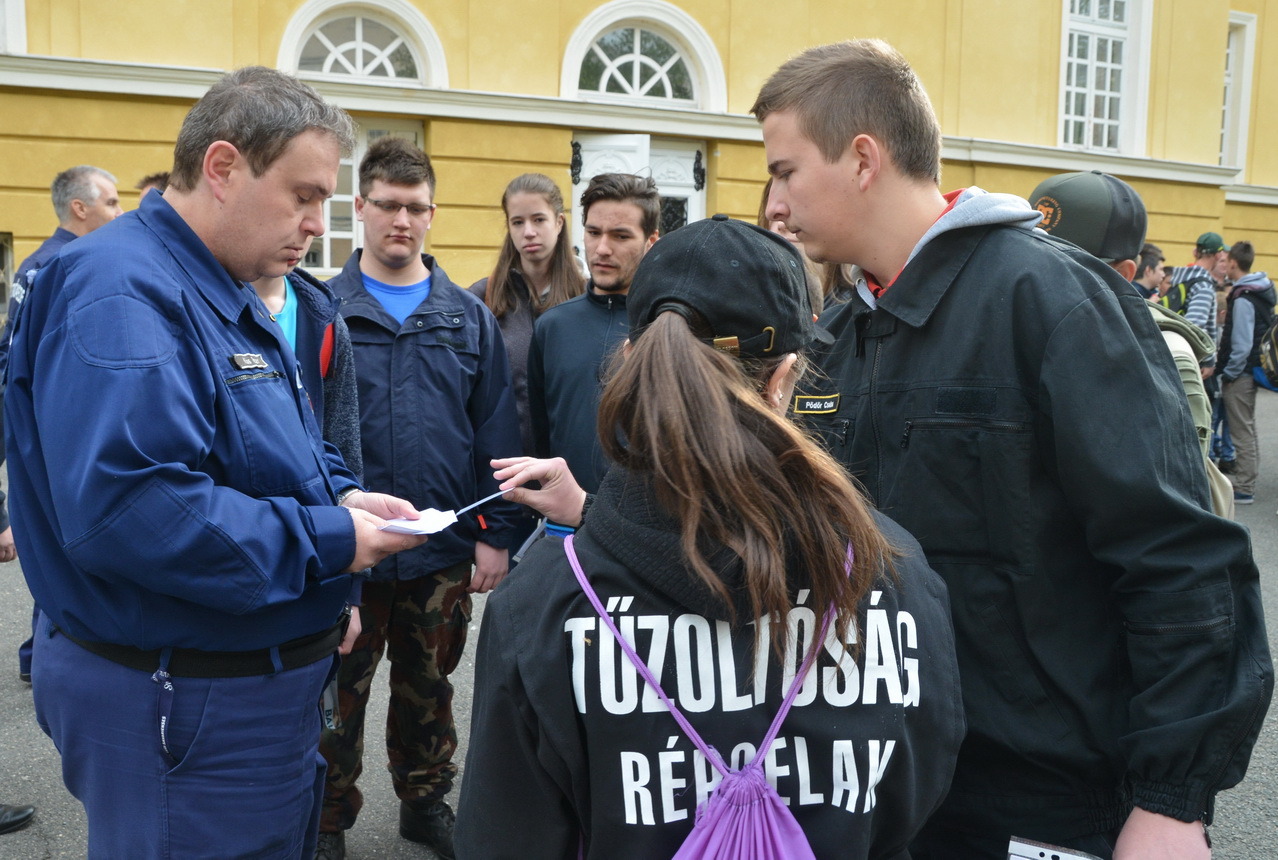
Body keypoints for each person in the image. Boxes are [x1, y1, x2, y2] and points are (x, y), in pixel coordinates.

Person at [755, 39, 1271, 859]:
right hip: (881, 783)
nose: (774, 204)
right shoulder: (841, 331)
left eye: (785, 171)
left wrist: (1173, 800)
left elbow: (1179, 557)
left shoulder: (1054, 302)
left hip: (1041, 800)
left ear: (862, 158)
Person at [4, 66, 428, 859]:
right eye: (303, 196)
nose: (316, 223)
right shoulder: (123, 291)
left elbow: (274, 445)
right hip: (182, 702)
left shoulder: (218, 280)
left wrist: (347, 496)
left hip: (231, 697)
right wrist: (331, 540)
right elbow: (132, 511)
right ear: (224, 168)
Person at [456, 215, 965, 859]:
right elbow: (917, 794)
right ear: (783, 380)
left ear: (630, 361)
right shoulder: (892, 572)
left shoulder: (544, 603)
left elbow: (506, 837)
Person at [319, 137, 521, 860]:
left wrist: (496, 532)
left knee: (429, 688)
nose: (401, 220)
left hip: (441, 550)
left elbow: (495, 427)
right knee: (337, 695)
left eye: (416, 207)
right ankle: (326, 821)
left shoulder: (466, 318)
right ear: (361, 208)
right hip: (351, 553)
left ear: (432, 214)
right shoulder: (323, 311)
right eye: (388, 205)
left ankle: (426, 802)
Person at [1027, 170, 1233, 518]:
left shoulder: (1169, 358)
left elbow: (1178, 501)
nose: (1034, 276)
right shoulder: (1018, 327)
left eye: (1061, 265)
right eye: (1027, 257)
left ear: (1121, 274)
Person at [4, 165, 123, 683]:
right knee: (62, 546)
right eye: (113, 202)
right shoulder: (61, 266)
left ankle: (42, 653)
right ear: (80, 208)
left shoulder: (49, 262)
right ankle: (47, 655)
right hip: (55, 433)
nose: (121, 213)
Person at [469, 173, 586, 549]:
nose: (528, 232)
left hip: (575, 484)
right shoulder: (483, 299)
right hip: (508, 484)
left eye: (538, 219)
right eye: (517, 222)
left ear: (559, 221)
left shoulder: (587, 296)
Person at [526, 173, 659, 494]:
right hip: (565, 531)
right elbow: (539, 433)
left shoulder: (668, 326)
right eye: (593, 232)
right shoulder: (552, 326)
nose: (602, 248)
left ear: (650, 241)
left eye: (620, 236)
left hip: (648, 528)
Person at [251, 248, 362, 481]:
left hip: (316, 510)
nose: (317, 227)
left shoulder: (324, 319)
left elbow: (343, 444)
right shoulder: (196, 308)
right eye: (297, 208)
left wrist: (348, 496)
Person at [1217, 240, 1275, 507]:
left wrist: (1228, 372)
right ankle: (1246, 479)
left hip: (1241, 373)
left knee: (1241, 431)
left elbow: (1240, 344)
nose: (1224, 266)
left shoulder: (1243, 297)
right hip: (1254, 368)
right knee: (1247, 429)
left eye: (1226, 261)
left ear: (1233, 263)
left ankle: (1245, 486)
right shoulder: (1262, 289)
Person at [1162, 232, 1226, 357]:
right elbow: (1194, 326)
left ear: (1195, 252)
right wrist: (1208, 360)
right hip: (1187, 355)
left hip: (1169, 346)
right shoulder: (1203, 286)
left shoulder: (1176, 278)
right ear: (1218, 255)